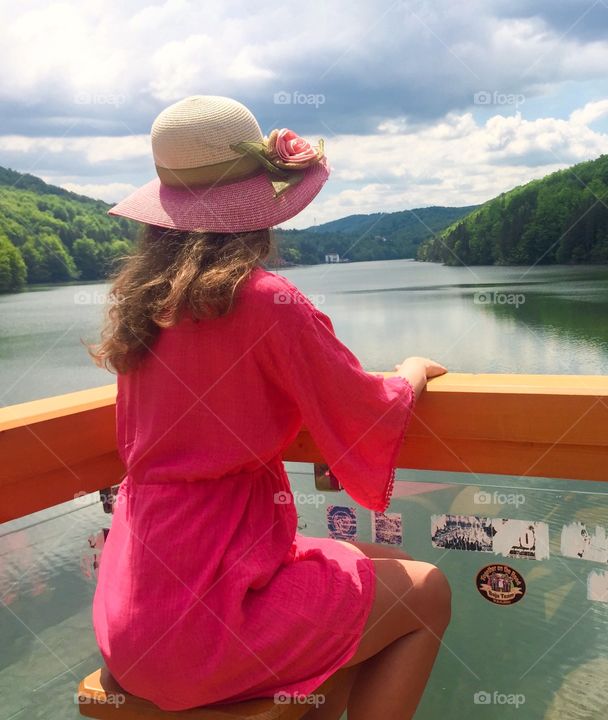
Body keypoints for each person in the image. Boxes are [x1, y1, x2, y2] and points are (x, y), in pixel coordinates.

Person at [88, 95, 450, 720]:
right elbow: (366, 408)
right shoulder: (263, 301)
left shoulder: (144, 308)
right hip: (209, 623)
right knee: (429, 592)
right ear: (259, 209)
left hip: (134, 617)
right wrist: (412, 372)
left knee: (383, 566)